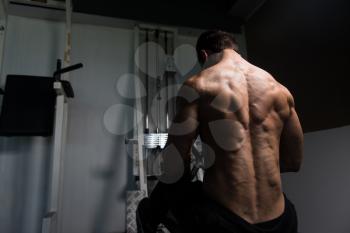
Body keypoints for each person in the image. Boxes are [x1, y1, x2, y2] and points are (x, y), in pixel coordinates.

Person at [137, 30, 304, 233]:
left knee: (156, 202)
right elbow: (293, 162)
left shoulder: (199, 84)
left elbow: (175, 164)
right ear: (235, 50)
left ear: (204, 56)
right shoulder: (280, 90)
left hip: (224, 223)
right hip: (282, 223)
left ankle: (148, 216)